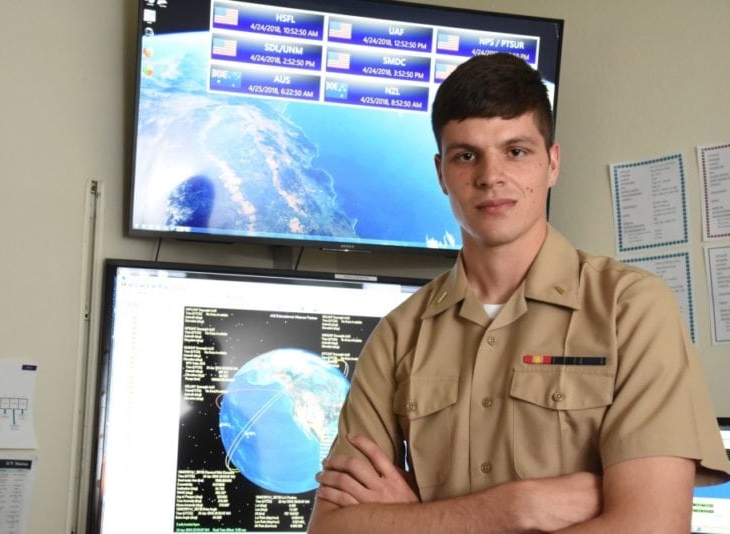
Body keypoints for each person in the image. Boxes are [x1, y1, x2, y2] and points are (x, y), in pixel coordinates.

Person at [307, 53, 730, 533]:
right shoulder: (399, 336)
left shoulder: (630, 310)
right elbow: (332, 529)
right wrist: (516, 507)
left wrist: (411, 520)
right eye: (466, 155)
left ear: (551, 163)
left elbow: (651, 526)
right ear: (441, 172)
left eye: (516, 151)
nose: (491, 176)